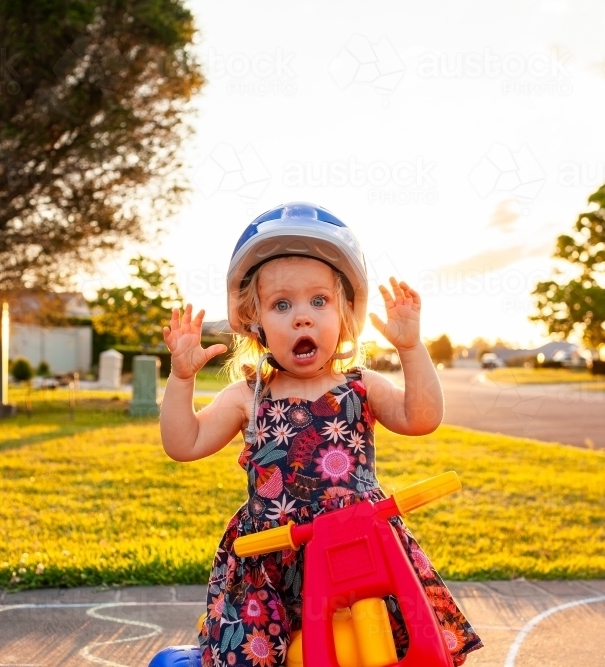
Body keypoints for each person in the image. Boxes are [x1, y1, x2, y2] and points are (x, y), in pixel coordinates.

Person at [160, 202, 482, 666]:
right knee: (247, 655)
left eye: (319, 301)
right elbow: (182, 443)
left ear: (345, 314)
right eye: (282, 304)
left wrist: (411, 348)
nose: (302, 318)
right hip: (273, 558)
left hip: (363, 551)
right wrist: (181, 379)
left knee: (413, 642)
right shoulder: (247, 396)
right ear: (256, 322)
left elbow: (421, 417)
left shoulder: (361, 386)